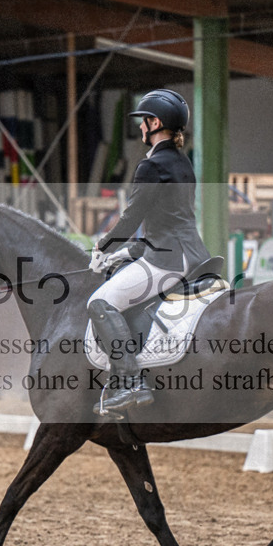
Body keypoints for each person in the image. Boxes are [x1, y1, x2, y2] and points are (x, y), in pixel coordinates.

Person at [87, 88, 210, 415]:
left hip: (168, 259)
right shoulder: (182, 162)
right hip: (192, 253)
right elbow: (169, 220)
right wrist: (127, 252)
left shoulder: (151, 165)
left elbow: (131, 217)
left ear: (155, 123)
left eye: (144, 122)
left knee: (99, 301)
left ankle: (130, 382)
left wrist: (104, 245)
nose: (140, 128)